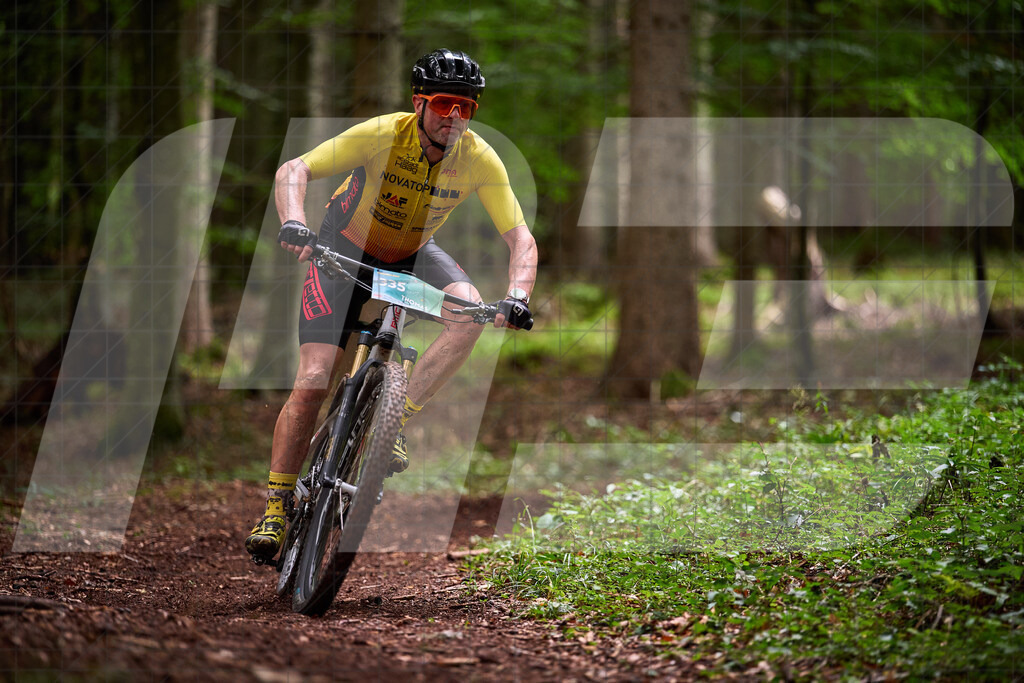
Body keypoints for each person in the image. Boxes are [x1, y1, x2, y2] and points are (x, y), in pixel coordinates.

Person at [246, 49, 538, 559]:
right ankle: (275, 507)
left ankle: (392, 420)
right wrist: (294, 221)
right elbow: (295, 168)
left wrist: (517, 297)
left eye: (466, 108)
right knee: (314, 381)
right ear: (419, 102)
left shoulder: (479, 158)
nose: (454, 117)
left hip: (412, 254)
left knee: (469, 313)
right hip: (343, 247)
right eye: (444, 104)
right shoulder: (384, 133)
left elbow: (522, 239)